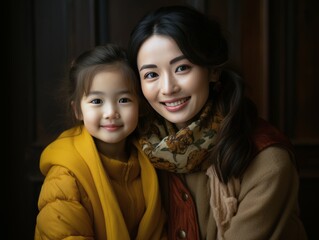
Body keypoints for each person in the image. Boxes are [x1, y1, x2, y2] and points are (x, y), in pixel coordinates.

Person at [127, 5, 307, 240]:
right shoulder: (136, 147)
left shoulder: (266, 160)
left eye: (182, 68)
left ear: (212, 71)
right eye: (151, 74)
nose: (168, 88)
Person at [34, 43, 167, 240]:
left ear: (139, 104)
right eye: (97, 101)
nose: (111, 112)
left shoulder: (151, 160)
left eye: (123, 100)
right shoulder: (65, 177)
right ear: (77, 110)